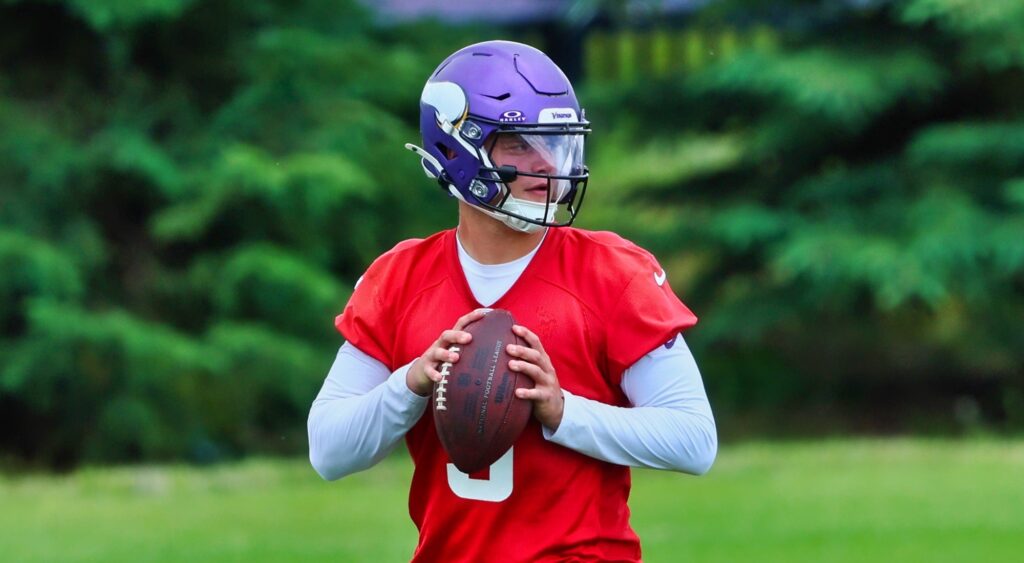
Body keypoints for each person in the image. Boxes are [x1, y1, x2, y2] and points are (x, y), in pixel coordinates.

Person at [308, 40, 717, 562]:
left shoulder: (611, 273)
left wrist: (561, 410)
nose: (547, 164)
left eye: (555, 143)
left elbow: (693, 439)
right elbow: (328, 451)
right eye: (520, 145)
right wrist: (411, 382)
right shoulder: (401, 278)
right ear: (457, 149)